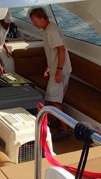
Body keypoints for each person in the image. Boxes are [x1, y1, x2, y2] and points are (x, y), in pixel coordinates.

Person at [29, 7, 72, 141]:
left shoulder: (51, 31)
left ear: (42, 18)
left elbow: (61, 50)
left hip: (60, 71)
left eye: (35, 21)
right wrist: (50, 67)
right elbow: (54, 52)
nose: (34, 24)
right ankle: (58, 121)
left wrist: (58, 70)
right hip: (56, 69)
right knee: (53, 99)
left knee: (53, 100)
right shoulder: (49, 29)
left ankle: (64, 128)